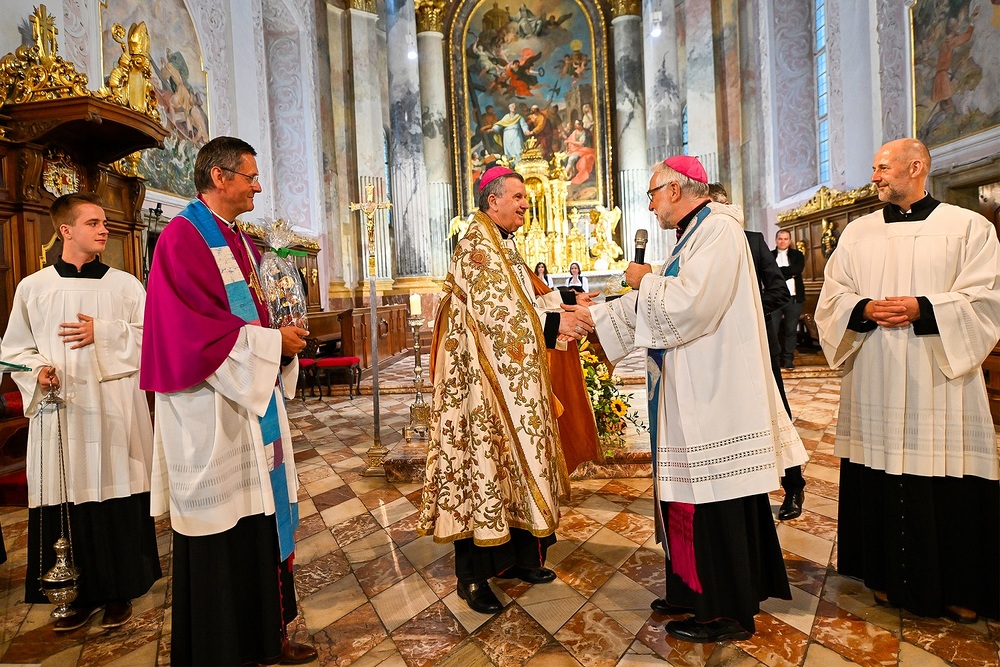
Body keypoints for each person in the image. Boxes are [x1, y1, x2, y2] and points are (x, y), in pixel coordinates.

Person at [589, 157, 806, 643]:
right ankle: (691, 590)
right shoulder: (696, 233)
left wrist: (642, 281)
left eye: (651, 193)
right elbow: (671, 289)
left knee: (713, 500)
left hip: (714, 393)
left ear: (675, 188)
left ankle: (724, 611)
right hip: (691, 388)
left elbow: (690, 302)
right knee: (687, 497)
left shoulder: (721, 232)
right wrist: (597, 313)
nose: (649, 204)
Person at [140, 137, 316, 665]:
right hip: (209, 409)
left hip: (247, 402)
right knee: (226, 528)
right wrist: (270, 344)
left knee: (262, 518)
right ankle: (222, 648)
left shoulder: (237, 240)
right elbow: (191, 331)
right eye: (250, 176)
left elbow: (249, 318)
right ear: (220, 177)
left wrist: (277, 337)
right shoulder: (181, 238)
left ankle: (266, 636)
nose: (257, 186)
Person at [815, 138, 1000, 624]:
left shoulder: (968, 228)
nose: (874, 176)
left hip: (938, 377)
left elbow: (986, 300)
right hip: (876, 371)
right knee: (881, 469)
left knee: (948, 475)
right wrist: (863, 309)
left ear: (915, 167)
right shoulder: (857, 234)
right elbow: (833, 298)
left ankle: (961, 586)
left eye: (882, 168)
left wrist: (926, 307)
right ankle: (885, 576)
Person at [417, 165, 597, 615]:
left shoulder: (504, 245)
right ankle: (473, 578)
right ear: (492, 200)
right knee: (483, 468)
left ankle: (517, 559)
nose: (524, 203)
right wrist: (555, 322)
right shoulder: (475, 248)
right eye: (517, 196)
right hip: (479, 391)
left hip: (508, 382)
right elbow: (499, 316)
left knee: (515, 465)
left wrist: (564, 306)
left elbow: (527, 299)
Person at [1, 192, 160, 632]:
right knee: (66, 496)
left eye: (105, 222)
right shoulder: (33, 287)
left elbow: (153, 339)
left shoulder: (126, 286)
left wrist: (103, 333)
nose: (104, 229)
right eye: (93, 222)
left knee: (115, 491)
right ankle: (73, 590)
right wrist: (38, 370)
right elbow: (14, 349)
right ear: (65, 230)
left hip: (114, 412)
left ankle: (118, 591)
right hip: (60, 414)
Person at [709, 183, 806, 520]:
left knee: (776, 411)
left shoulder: (752, 241)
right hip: (717, 349)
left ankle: (794, 486)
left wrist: (744, 310)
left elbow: (779, 290)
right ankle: (742, 491)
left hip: (758, 344)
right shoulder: (696, 244)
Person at [769, 229, 805, 370]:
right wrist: (788, 273)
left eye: (785, 239)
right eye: (780, 239)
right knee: (774, 330)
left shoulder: (797, 255)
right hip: (774, 299)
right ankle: (775, 361)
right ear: (776, 240)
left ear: (790, 241)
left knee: (791, 330)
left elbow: (797, 269)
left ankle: (788, 359)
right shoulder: (770, 256)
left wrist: (778, 272)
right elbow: (768, 272)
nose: (782, 241)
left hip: (793, 298)